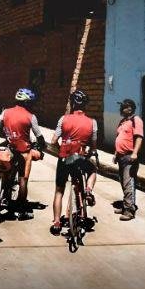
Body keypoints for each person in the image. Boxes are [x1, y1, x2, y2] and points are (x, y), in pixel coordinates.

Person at [49, 89, 98, 235]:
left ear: (72, 103)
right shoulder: (92, 123)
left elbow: (53, 141)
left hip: (64, 158)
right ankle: (88, 190)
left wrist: (60, 151)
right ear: (85, 105)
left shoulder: (63, 119)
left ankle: (57, 223)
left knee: (59, 191)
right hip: (80, 158)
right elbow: (93, 147)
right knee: (92, 170)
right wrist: (90, 152)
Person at [0, 88, 46, 220]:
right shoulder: (31, 117)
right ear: (28, 103)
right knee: (23, 179)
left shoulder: (6, 112)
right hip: (23, 152)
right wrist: (42, 146)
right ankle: (21, 211)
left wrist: (5, 132)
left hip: (9, 148)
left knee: (5, 171)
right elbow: (39, 136)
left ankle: (3, 196)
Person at [115, 98, 144, 221]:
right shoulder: (123, 122)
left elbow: (139, 137)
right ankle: (126, 205)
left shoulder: (136, 120)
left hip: (129, 156)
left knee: (128, 183)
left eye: (123, 107)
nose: (121, 109)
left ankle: (129, 211)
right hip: (121, 156)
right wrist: (116, 154)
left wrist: (135, 153)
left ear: (130, 109)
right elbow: (119, 137)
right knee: (123, 182)